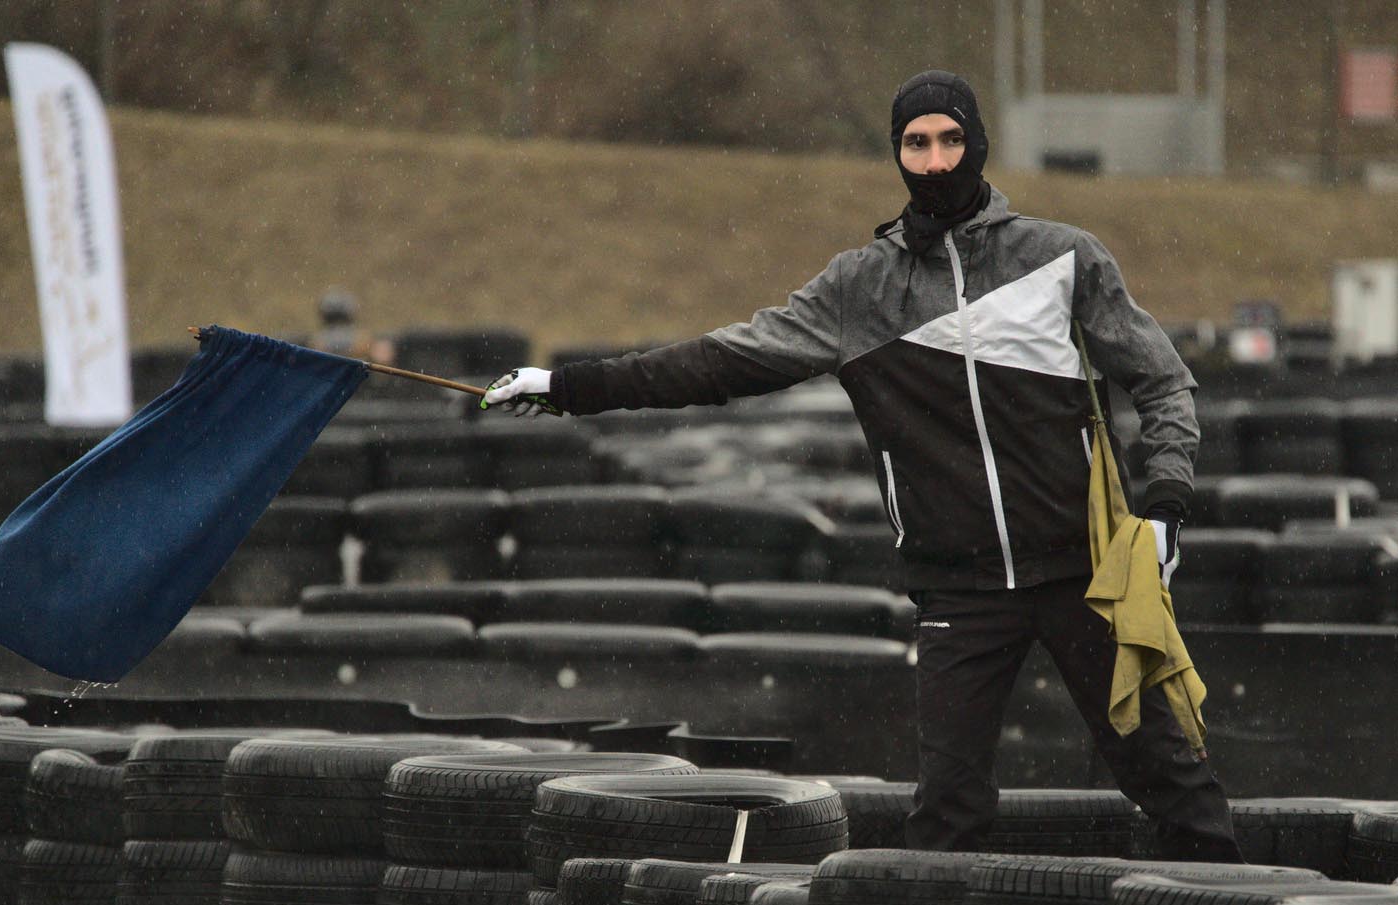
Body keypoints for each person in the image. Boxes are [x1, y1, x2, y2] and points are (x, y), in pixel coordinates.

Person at [484, 70, 1242, 861]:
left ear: (978, 142)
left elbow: (1164, 383)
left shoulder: (1063, 257)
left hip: (1088, 572)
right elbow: (720, 362)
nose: (936, 160)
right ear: (897, 155)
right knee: (947, 812)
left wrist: (1166, 504)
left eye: (951, 139)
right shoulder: (858, 289)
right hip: (958, 589)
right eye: (917, 144)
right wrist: (568, 388)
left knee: (1170, 778)